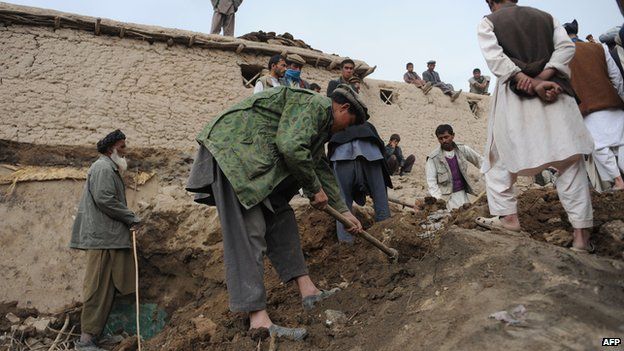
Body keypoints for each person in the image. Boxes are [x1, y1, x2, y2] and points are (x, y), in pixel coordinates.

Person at [186, 85, 366, 341]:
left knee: (282, 219)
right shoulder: (316, 105)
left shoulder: (319, 127)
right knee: (249, 233)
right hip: (234, 156)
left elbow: (320, 167)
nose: (347, 129)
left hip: (257, 164)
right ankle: (258, 321)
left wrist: (344, 211)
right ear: (343, 108)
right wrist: (314, 189)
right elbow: (291, 146)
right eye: (350, 123)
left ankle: (309, 291)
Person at [476, 0, 595, 253]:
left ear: (489, 1)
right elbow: (565, 48)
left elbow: (495, 60)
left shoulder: (488, 22)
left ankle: (508, 219)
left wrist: (527, 80)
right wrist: (543, 78)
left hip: (516, 99)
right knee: (570, 162)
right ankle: (581, 238)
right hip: (556, 93)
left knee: (498, 157)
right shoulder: (547, 17)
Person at [70, 130, 141, 351]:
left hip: (110, 238)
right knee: (97, 288)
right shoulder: (102, 168)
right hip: (102, 239)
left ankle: (95, 337)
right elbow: (104, 199)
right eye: (122, 147)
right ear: (111, 149)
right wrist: (130, 217)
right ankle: (85, 341)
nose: (125, 150)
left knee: (109, 288)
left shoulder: (110, 168)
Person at [569, 28, 624, 191]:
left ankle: (618, 180)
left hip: (587, 110)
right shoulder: (600, 48)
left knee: (600, 147)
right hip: (613, 105)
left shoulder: (561, 55)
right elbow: (617, 79)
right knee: (622, 144)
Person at [328, 122, 393, 242]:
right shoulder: (368, 126)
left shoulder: (337, 126)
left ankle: (345, 245)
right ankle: (386, 239)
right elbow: (382, 149)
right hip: (372, 154)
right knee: (380, 199)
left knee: (343, 203)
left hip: (341, 155)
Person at [425, 125, 483, 210]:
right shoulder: (433, 158)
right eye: (440, 138)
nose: (444, 140)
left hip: (463, 194)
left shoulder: (462, 149)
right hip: (446, 198)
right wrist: (439, 200)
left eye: (446, 137)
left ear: (453, 136)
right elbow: (431, 182)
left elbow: (480, 161)